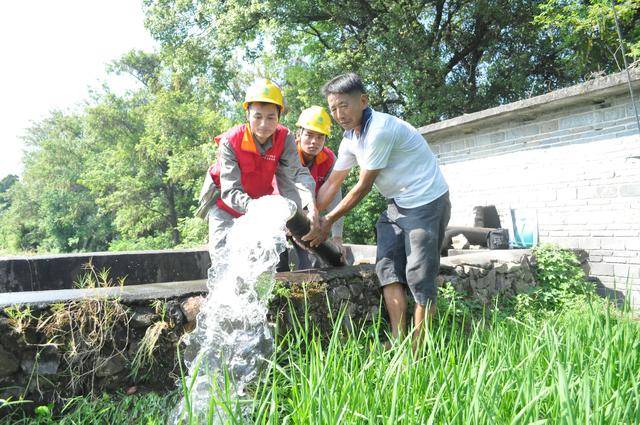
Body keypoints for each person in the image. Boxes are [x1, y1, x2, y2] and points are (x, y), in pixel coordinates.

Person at [303, 73, 450, 343]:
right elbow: (332, 184)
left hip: (426, 202)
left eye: (344, 105)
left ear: (363, 100)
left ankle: (418, 351)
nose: (339, 114)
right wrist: (309, 215)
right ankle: (398, 341)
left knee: (419, 277)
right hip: (396, 203)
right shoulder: (350, 138)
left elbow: (362, 187)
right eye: (333, 108)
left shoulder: (380, 130)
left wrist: (328, 221)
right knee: (388, 270)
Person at [204, 79, 319, 258]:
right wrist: (258, 209)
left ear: (279, 116)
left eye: (271, 117)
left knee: (260, 258)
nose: (264, 124)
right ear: (248, 115)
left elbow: (296, 175)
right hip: (225, 203)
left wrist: (309, 208)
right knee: (222, 258)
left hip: (259, 202)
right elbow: (230, 191)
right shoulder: (231, 141)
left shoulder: (284, 138)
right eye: (257, 117)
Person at [288, 106, 344, 269]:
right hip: (282, 213)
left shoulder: (328, 159)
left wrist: (337, 237)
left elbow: (335, 196)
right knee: (278, 264)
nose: (314, 142)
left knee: (313, 264)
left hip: (309, 217)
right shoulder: (287, 152)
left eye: (320, 137)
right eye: (309, 135)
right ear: (299, 134)